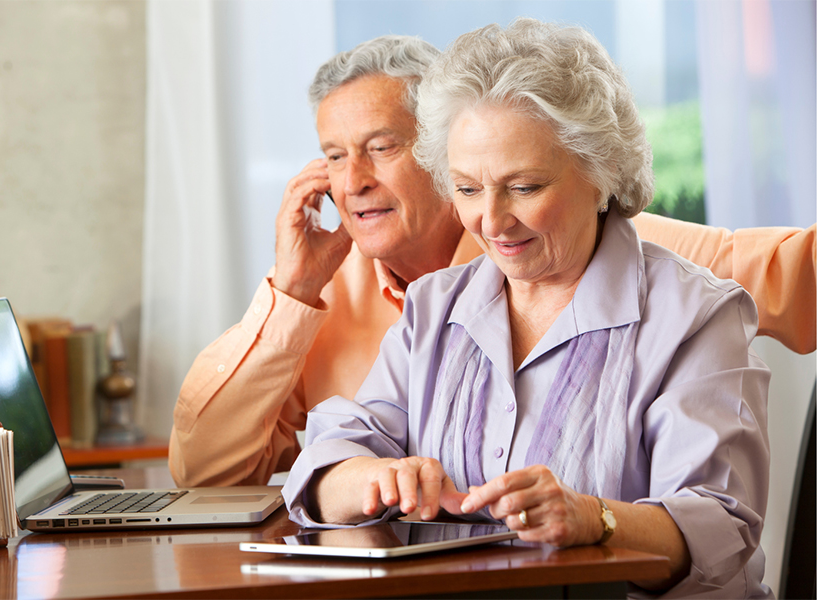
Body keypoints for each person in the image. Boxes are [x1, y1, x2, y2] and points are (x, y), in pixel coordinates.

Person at [168, 34, 814, 490]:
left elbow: (795, 273)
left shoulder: (591, 244)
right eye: (334, 156)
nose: (353, 181)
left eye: (381, 147)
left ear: (447, 146)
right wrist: (292, 288)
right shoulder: (318, 300)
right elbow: (205, 470)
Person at [282, 19, 771, 598]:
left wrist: (595, 519)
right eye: (466, 189)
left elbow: (718, 526)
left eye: (524, 187)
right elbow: (333, 455)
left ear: (601, 172)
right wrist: (369, 478)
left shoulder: (697, 314)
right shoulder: (436, 305)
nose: (491, 221)